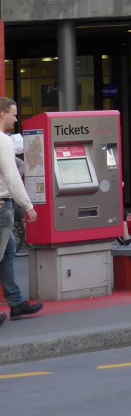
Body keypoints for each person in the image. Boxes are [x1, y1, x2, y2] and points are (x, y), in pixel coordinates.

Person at [0, 97, 42, 324]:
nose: (16, 119)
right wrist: (28, 206)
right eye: (13, 114)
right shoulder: (3, 141)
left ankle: (16, 302)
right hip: (2, 206)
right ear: (2, 114)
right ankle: (16, 303)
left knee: (7, 255)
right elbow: (12, 177)